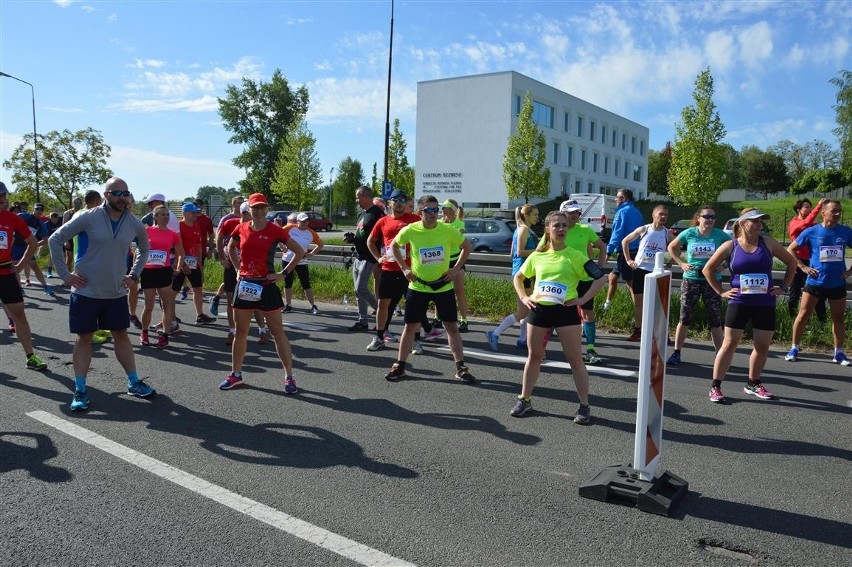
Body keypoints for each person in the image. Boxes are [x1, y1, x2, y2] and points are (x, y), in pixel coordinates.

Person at [48, 177, 155, 412]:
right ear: (106, 195)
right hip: (85, 291)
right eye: (117, 192)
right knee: (84, 338)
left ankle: (134, 382)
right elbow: (55, 239)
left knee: (121, 334)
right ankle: (80, 389)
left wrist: (134, 275)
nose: (123, 196)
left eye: (126, 192)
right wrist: (65, 275)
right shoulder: (89, 216)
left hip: (115, 293)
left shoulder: (133, 222)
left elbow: (145, 248)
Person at [509, 211, 607, 423]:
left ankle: (584, 406)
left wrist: (582, 299)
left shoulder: (575, 255)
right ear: (548, 229)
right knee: (534, 357)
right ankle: (524, 400)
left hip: (565, 312)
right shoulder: (538, 255)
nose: (562, 229)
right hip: (539, 310)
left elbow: (601, 277)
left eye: (564, 225)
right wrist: (524, 297)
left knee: (575, 360)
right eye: (557, 226)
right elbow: (518, 277)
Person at [701, 208, 797, 403]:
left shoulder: (768, 243)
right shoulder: (731, 246)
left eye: (761, 222)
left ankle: (753, 383)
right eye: (755, 221)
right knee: (729, 344)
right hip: (740, 301)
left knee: (762, 346)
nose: (760, 225)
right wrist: (721, 291)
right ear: (743, 224)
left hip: (764, 302)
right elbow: (707, 269)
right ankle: (715, 386)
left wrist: (784, 287)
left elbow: (791, 263)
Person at [383, 195, 475, 383]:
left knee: (451, 327)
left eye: (436, 210)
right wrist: (405, 268)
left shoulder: (448, 229)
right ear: (420, 212)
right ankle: (400, 365)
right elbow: (394, 245)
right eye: (429, 210)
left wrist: (456, 269)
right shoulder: (411, 230)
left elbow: (467, 247)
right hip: (419, 286)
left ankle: (461, 368)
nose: (433, 214)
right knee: (410, 327)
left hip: (443, 286)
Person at [219, 193, 305, 392]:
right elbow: (230, 247)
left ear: (267, 209)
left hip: (267, 285)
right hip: (246, 284)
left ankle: (289, 377)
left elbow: (299, 251)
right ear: (249, 209)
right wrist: (238, 268)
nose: (257, 211)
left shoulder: (275, 230)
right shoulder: (240, 228)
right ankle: (236, 375)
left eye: (261, 207)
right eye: (254, 208)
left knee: (277, 331)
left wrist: (283, 274)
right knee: (241, 332)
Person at [786, 200, 852, 366]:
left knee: (838, 317)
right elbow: (791, 249)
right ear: (823, 213)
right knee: (803, 315)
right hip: (815, 282)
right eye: (833, 211)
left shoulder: (845, 231)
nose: (837, 214)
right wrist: (803, 267)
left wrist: (850, 271)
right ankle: (794, 347)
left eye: (839, 211)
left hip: (837, 283)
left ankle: (839, 352)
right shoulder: (811, 231)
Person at [666, 205, 730, 365]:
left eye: (713, 217)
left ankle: (719, 355)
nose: (710, 220)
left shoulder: (720, 235)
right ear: (699, 217)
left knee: (715, 318)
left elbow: (735, 250)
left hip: (712, 280)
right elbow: (672, 247)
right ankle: (676, 352)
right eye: (707, 216)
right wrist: (681, 263)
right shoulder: (690, 233)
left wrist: (723, 266)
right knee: (684, 317)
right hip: (691, 278)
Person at [365, 189, 422, 351]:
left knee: (414, 306)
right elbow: (371, 241)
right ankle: (379, 337)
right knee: (383, 304)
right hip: (389, 268)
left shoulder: (414, 219)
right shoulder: (383, 221)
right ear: (390, 202)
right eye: (396, 200)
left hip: (410, 270)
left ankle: (417, 340)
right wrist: (378, 258)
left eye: (403, 200)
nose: (399, 203)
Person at [0, 181, 48, 371]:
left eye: (3, 196)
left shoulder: (12, 219)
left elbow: (33, 243)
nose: (2, 199)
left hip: (6, 273)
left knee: (19, 315)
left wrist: (20, 266)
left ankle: (30, 356)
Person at [560, 199, 608, 364]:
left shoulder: (585, 229)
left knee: (588, 314)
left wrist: (600, 267)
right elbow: (542, 251)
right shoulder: (556, 231)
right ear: (563, 213)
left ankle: (590, 350)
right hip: (563, 279)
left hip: (584, 278)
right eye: (571, 212)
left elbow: (602, 246)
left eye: (577, 212)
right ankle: (545, 349)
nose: (575, 215)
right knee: (557, 313)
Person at [486, 205, 539, 351]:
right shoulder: (523, 230)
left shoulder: (521, 229)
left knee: (527, 309)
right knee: (523, 311)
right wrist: (538, 252)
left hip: (525, 272)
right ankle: (495, 333)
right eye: (534, 214)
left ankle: (522, 340)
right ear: (526, 215)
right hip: (522, 274)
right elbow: (519, 252)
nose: (537, 217)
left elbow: (511, 254)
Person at [621, 205, 670, 342]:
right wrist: (629, 259)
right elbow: (625, 241)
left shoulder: (667, 233)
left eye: (666, 215)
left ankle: (662, 332)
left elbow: (675, 246)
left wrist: (670, 259)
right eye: (661, 214)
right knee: (639, 302)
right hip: (640, 269)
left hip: (656, 272)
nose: (663, 217)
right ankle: (638, 330)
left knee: (658, 303)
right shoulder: (644, 229)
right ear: (653, 215)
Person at [140, 205, 184, 349]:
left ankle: (164, 336)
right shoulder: (147, 231)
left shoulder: (172, 234)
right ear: (155, 217)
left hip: (164, 271)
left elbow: (181, 252)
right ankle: (144, 332)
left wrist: (178, 267)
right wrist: (137, 267)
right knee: (149, 305)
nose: (165, 217)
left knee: (167, 304)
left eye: (167, 215)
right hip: (148, 271)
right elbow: (138, 251)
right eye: (162, 215)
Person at [174, 202, 216, 324]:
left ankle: (200, 315)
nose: (196, 215)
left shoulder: (196, 226)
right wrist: (182, 265)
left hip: (194, 263)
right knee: (174, 291)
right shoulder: (179, 226)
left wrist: (199, 262)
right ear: (185, 213)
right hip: (181, 263)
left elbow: (198, 246)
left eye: (196, 212)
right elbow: (177, 247)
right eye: (193, 213)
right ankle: (169, 316)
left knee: (198, 288)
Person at [349, 185, 384, 331]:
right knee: (358, 291)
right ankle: (363, 320)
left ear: (366, 196)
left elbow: (381, 235)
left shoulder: (378, 213)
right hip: (359, 255)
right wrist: (352, 238)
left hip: (370, 256)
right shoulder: (362, 214)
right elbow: (361, 233)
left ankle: (381, 310)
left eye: (358, 197)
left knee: (360, 287)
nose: (357, 200)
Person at [787, 198, 827, 321]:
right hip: (798, 262)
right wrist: (819, 206)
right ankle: (791, 320)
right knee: (794, 293)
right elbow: (805, 223)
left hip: (811, 262)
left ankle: (822, 322)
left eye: (810, 207)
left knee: (817, 294)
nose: (809, 209)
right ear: (798, 210)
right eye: (806, 207)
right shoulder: (794, 223)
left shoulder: (812, 225)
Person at [604, 188, 643, 315]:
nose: (615, 199)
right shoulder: (637, 212)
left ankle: (639, 313)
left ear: (624, 198)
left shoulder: (622, 212)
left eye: (617, 197)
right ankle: (607, 306)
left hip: (626, 252)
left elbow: (617, 232)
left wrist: (608, 251)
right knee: (612, 277)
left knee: (630, 284)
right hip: (635, 250)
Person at [209, 195, 245, 318]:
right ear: (233, 204)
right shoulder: (227, 219)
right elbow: (218, 237)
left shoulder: (249, 218)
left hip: (244, 255)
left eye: (242, 203)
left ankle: (217, 297)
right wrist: (222, 257)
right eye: (238, 203)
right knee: (231, 282)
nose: (240, 205)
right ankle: (232, 316)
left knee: (238, 280)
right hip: (230, 253)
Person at [438, 198, 470, 332]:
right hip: (442, 261)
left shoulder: (459, 223)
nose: (442, 210)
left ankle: (464, 320)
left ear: (451, 210)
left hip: (456, 260)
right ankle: (437, 317)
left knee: (459, 291)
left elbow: (457, 240)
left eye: (444, 207)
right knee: (439, 291)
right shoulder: (439, 223)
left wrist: (446, 228)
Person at [281, 212, 323, 314]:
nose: (305, 223)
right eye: (303, 221)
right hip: (287, 259)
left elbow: (320, 244)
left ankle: (313, 306)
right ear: (297, 221)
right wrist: (282, 246)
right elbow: (277, 235)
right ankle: (288, 305)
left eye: (307, 221)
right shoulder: (290, 228)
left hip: (302, 261)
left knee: (306, 284)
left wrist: (311, 254)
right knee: (288, 283)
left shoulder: (311, 232)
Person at [61, 196, 83, 271]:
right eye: (75, 202)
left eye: (79, 202)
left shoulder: (84, 212)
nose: (77, 204)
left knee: (79, 260)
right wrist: (65, 241)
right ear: (73, 203)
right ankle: (68, 279)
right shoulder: (67, 213)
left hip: (80, 238)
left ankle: (77, 277)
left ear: (81, 204)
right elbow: (63, 228)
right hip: (70, 237)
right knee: (69, 258)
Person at [44, 212, 62, 278]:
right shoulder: (46, 224)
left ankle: (62, 272)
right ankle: (49, 271)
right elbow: (45, 235)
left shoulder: (61, 222)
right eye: (52, 217)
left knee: (63, 255)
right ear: (50, 218)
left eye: (56, 217)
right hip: (51, 241)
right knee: (51, 256)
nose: (54, 219)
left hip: (61, 241)